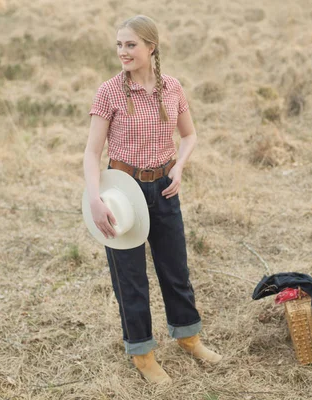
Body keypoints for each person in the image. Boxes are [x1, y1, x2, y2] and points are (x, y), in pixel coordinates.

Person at [83, 15, 222, 384]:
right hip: (121, 193)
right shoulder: (109, 91)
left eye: (130, 45)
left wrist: (179, 168)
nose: (123, 52)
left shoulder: (171, 88)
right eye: (119, 45)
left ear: (151, 47)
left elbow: (189, 136)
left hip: (163, 188)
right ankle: (142, 353)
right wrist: (94, 198)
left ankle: (188, 336)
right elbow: (91, 152)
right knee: (130, 279)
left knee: (175, 270)